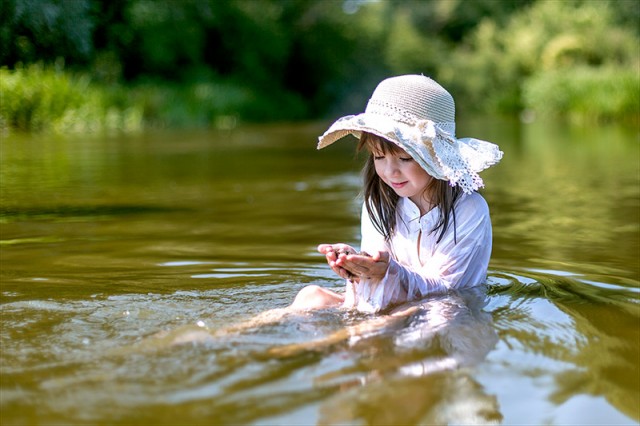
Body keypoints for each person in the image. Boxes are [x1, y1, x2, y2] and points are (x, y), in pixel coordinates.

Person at [291, 74, 503, 313]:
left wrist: (388, 270)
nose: (391, 172)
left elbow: (443, 288)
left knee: (430, 316)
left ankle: (306, 348)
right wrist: (357, 266)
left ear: (436, 157)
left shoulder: (469, 210)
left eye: (404, 158)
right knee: (310, 296)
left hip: (446, 310)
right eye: (379, 157)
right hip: (393, 302)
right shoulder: (379, 201)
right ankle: (245, 335)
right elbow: (377, 271)